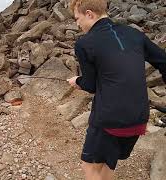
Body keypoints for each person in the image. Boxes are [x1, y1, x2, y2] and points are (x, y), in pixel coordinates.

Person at [66, 0, 166, 179]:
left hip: (110, 119)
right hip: (139, 118)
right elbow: (163, 62)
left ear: (90, 14)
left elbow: (90, 85)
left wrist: (77, 81)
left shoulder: (84, 43)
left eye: (77, 18)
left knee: (89, 166)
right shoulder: (135, 34)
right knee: (108, 161)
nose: (77, 24)